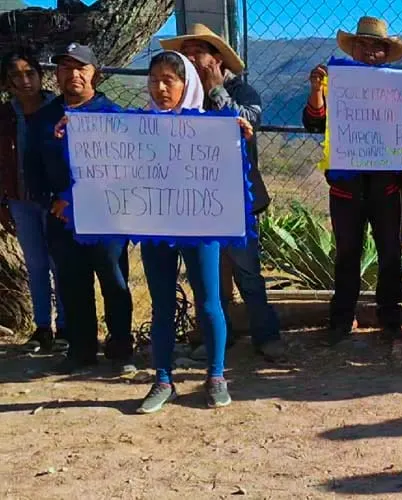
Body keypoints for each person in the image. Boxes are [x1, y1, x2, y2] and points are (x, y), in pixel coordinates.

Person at [119, 52, 253, 413]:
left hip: (200, 225)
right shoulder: (139, 127)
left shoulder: (210, 126)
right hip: (157, 227)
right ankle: (163, 379)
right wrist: (75, 132)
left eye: (170, 79)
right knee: (162, 304)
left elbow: (234, 151)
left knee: (209, 302)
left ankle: (215, 376)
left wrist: (236, 134)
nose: (161, 88)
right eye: (154, 80)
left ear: (187, 83)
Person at [160, 24, 285, 361]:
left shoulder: (244, 93)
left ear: (215, 58)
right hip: (195, 199)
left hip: (237, 199)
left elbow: (245, 124)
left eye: (194, 53)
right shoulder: (184, 98)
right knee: (209, 275)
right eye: (184, 55)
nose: (189, 60)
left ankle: (266, 335)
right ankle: (217, 337)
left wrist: (216, 91)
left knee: (247, 271)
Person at [302, 16, 402, 346]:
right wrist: (315, 89)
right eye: (363, 46)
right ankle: (341, 320)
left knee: (390, 253)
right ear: (353, 50)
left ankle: (390, 319)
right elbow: (313, 121)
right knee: (348, 253)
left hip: (387, 186)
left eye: (377, 48)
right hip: (345, 186)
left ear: (385, 53)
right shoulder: (336, 84)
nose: (369, 52)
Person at [25, 43, 135, 375]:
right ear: (56, 75)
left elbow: (124, 170)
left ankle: (120, 348)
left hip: (107, 218)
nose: (73, 74)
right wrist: (51, 202)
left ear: (95, 74)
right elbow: (32, 169)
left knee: (113, 281)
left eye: (81, 68)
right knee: (72, 283)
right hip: (61, 219)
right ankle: (81, 350)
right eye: (65, 68)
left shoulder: (113, 116)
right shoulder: (43, 119)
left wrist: (77, 196)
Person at [0, 49, 66, 353]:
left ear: (41, 76)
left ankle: (66, 324)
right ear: (9, 82)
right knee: (35, 264)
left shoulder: (57, 108)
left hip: (53, 199)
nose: (25, 81)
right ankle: (43, 327)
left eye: (30, 73)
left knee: (59, 262)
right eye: (17, 75)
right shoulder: (5, 115)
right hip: (19, 198)